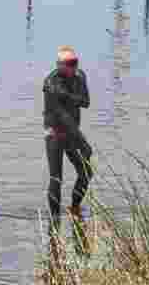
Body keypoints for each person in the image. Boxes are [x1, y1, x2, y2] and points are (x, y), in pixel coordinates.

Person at [43, 45, 92, 232]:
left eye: (75, 62)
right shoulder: (51, 83)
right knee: (56, 178)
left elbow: (86, 102)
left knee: (86, 172)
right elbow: (62, 115)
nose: (74, 67)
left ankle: (75, 209)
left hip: (72, 133)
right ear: (59, 65)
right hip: (55, 134)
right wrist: (82, 141)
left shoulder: (80, 76)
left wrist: (67, 96)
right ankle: (54, 221)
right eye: (69, 63)